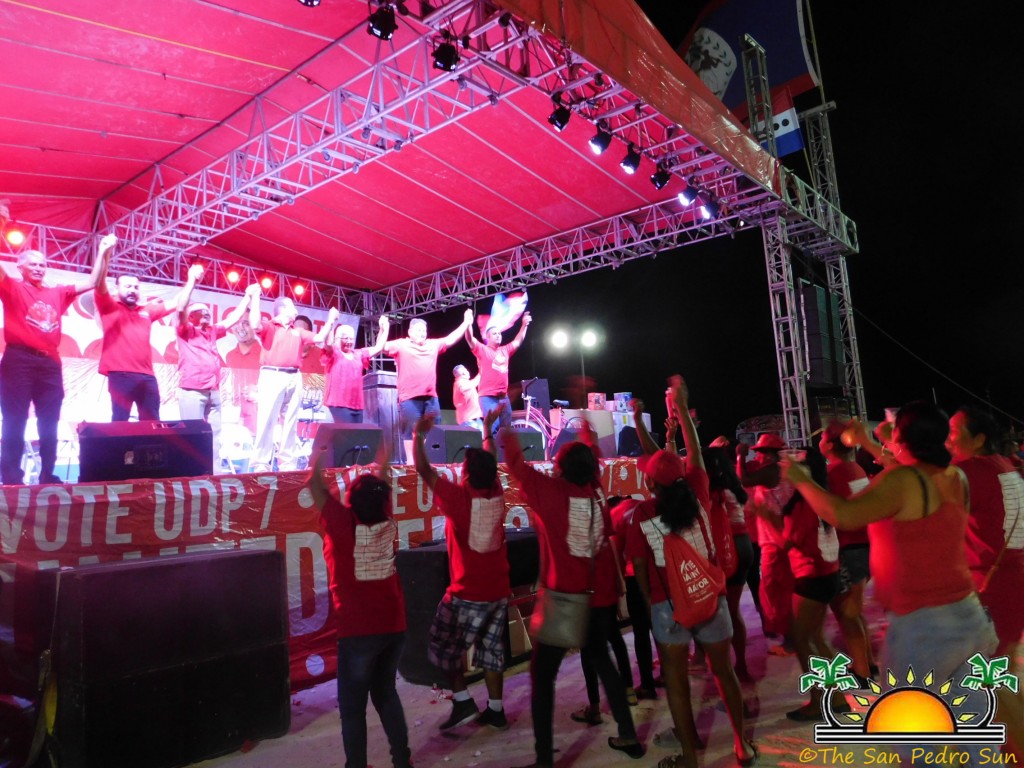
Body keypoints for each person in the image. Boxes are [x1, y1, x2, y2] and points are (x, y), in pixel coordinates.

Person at [782, 401, 1021, 765]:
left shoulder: (904, 481)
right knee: (973, 730)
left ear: (905, 438)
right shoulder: (952, 476)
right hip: (968, 619)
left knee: (911, 736)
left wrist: (801, 479)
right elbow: (906, 474)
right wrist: (869, 441)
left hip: (925, 628)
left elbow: (843, 514)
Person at [626, 378, 755, 768]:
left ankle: (688, 757)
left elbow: (641, 569)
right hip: (710, 596)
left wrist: (652, 604)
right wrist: (681, 407)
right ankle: (742, 746)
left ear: (649, 483)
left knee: (678, 685)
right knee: (724, 673)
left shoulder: (641, 514)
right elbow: (694, 451)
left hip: (669, 607)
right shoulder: (698, 491)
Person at [499, 419, 644, 768]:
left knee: (542, 677)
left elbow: (516, 465)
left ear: (561, 469)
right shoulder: (596, 491)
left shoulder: (553, 493)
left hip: (565, 600)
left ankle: (544, 758)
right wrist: (587, 438)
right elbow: (589, 459)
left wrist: (503, 424)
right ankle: (628, 734)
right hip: (600, 596)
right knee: (602, 661)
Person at [307, 440, 413, 768]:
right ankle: (403, 761)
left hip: (358, 633)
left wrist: (319, 448)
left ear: (351, 501)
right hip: (393, 626)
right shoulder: (386, 522)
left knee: (353, 709)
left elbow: (315, 485)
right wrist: (383, 460)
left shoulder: (342, 524)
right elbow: (379, 490)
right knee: (386, 694)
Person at [412, 408, 509, 731]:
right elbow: (491, 461)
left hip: (467, 594)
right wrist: (487, 429)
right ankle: (496, 709)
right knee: (491, 650)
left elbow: (424, 470)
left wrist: (418, 435)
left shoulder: (459, 499)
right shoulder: (496, 492)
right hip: (498, 590)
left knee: (444, 647)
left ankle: (463, 701)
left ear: (466, 474)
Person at [0, 235, 113, 485]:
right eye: (33, 264)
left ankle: (47, 473)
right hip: (18, 359)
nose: (39, 268)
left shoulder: (57, 293)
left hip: (50, 362)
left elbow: (93, 281)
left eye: (42, 264)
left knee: (49, 421)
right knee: (14, 419)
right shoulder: (13, 288)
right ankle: (10, 475)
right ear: (20, 267)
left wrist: (103, 250)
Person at [947, 406, 1024, 663]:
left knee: (986, 669)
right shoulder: (1005, 466)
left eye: (954, 431)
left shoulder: (969, 471)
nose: (948, 439)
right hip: (1013, 579)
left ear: (979, 439)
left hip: (989, 585)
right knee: (1004, 663)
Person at [94, 251, 199, 421]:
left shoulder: (146, 311)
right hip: (120, 375)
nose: (132, 290)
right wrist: (104, 252)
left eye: (136, 287)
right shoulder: (109, 307)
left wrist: (192, 280)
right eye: (127, 286)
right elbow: (99, 282)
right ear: (117, 289)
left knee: (152, 423)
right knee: (120, 423)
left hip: (147, 376)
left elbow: (177, 303)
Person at [175, 278, 260, 472]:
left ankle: (214, 474)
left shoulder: (212, 331)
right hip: (192, 391)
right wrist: (192, 281)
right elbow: (180, 309)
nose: (206, 313)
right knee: (192, 437)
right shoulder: (185, 330)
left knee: (215, 437)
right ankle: (191, 475)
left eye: (208, 311)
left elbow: (233, 318)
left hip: (213, 392)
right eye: (201, 311)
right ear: (191, 316)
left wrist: (247, 296)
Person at [249, 297, 338, 472]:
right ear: (282, 308)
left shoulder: (297, 331)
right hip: (272, 375)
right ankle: (260, 463)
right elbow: (254, 324)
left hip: (294, 376)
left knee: (290, 421)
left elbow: (319, 337)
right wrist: (255, 298)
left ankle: (287, 463)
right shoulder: (270, 326)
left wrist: (330, 320)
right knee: (267, 420)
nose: (296, 311)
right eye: (292, 307)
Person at [819, 419, 876, 685]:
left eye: (822, 438)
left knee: (847, 612)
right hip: (866, 545)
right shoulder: (856, 468)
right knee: (855, 609)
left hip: (850, 547)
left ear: (830, 445)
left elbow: (835, 513)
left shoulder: (834, 472)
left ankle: (862, 672)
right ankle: (867, 662)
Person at [383, 310, 473, 461]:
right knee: (411, 432)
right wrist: (383, 329)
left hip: (431, 399)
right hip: (409, 398)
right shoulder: (401, 344)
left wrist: (465, 323)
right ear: (410, 332)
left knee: (433, 431)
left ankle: (426, 461)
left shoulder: (432, 344)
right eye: (418, 330)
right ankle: (411, 464)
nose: (422, 333)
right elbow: (382, 346)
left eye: (424, 330)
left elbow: (450, 339)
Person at [738, 433, 795, 655]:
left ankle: (791, 640)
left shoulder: (773, 471)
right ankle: (791, 636)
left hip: (776, 543)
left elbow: (744, 479)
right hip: (779, 540)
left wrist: (740, 457)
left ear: (770, 455)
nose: (757, 457)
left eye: (760, 453)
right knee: (776, 592)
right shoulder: (782, 470)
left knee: (776, 593)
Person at [703, 445, 754, 683]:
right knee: (733, 611)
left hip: (726, 547)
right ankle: (741, 664)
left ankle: (722, 668)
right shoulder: (734, 486)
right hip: (744, 544)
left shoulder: (711, 491)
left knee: (716, 612)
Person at [465, 311, 531, 434]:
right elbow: (469, 339)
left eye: (499, 333)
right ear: (488, 337)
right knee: (492, 429)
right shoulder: (483, 350)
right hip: (488, 397)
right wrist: (468, 324)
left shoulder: (505, 350)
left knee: (506, 431)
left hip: (503, 398)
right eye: (494, 333)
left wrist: (524, 325)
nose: (498, 335)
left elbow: (518, 340)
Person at [321, 316, 389, 423]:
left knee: (356, 433)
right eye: (345, 338)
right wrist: (331, 320)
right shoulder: (334, 353)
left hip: (357, 406)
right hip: (338, 405)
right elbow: (328, 343)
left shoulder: (358, 354)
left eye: (351, 338)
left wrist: (384, 328)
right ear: (337, 339)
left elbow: (378, 348)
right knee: (343, 434)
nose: (349, 341)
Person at [223, 314, 261, 435]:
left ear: (255, 326)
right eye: (236, 323)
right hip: (234, 412)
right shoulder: (229, 356)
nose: (240, 328)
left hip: (257, 413)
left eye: (246, 323)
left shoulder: (265, 354)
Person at [451, 364, 482, 431]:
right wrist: (481, 372)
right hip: (468, 421)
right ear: (463, 373)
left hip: (474, 419)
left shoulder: (462, 383)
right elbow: (473, 383)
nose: (468, 372)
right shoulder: (460, 383)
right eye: (466, 370)